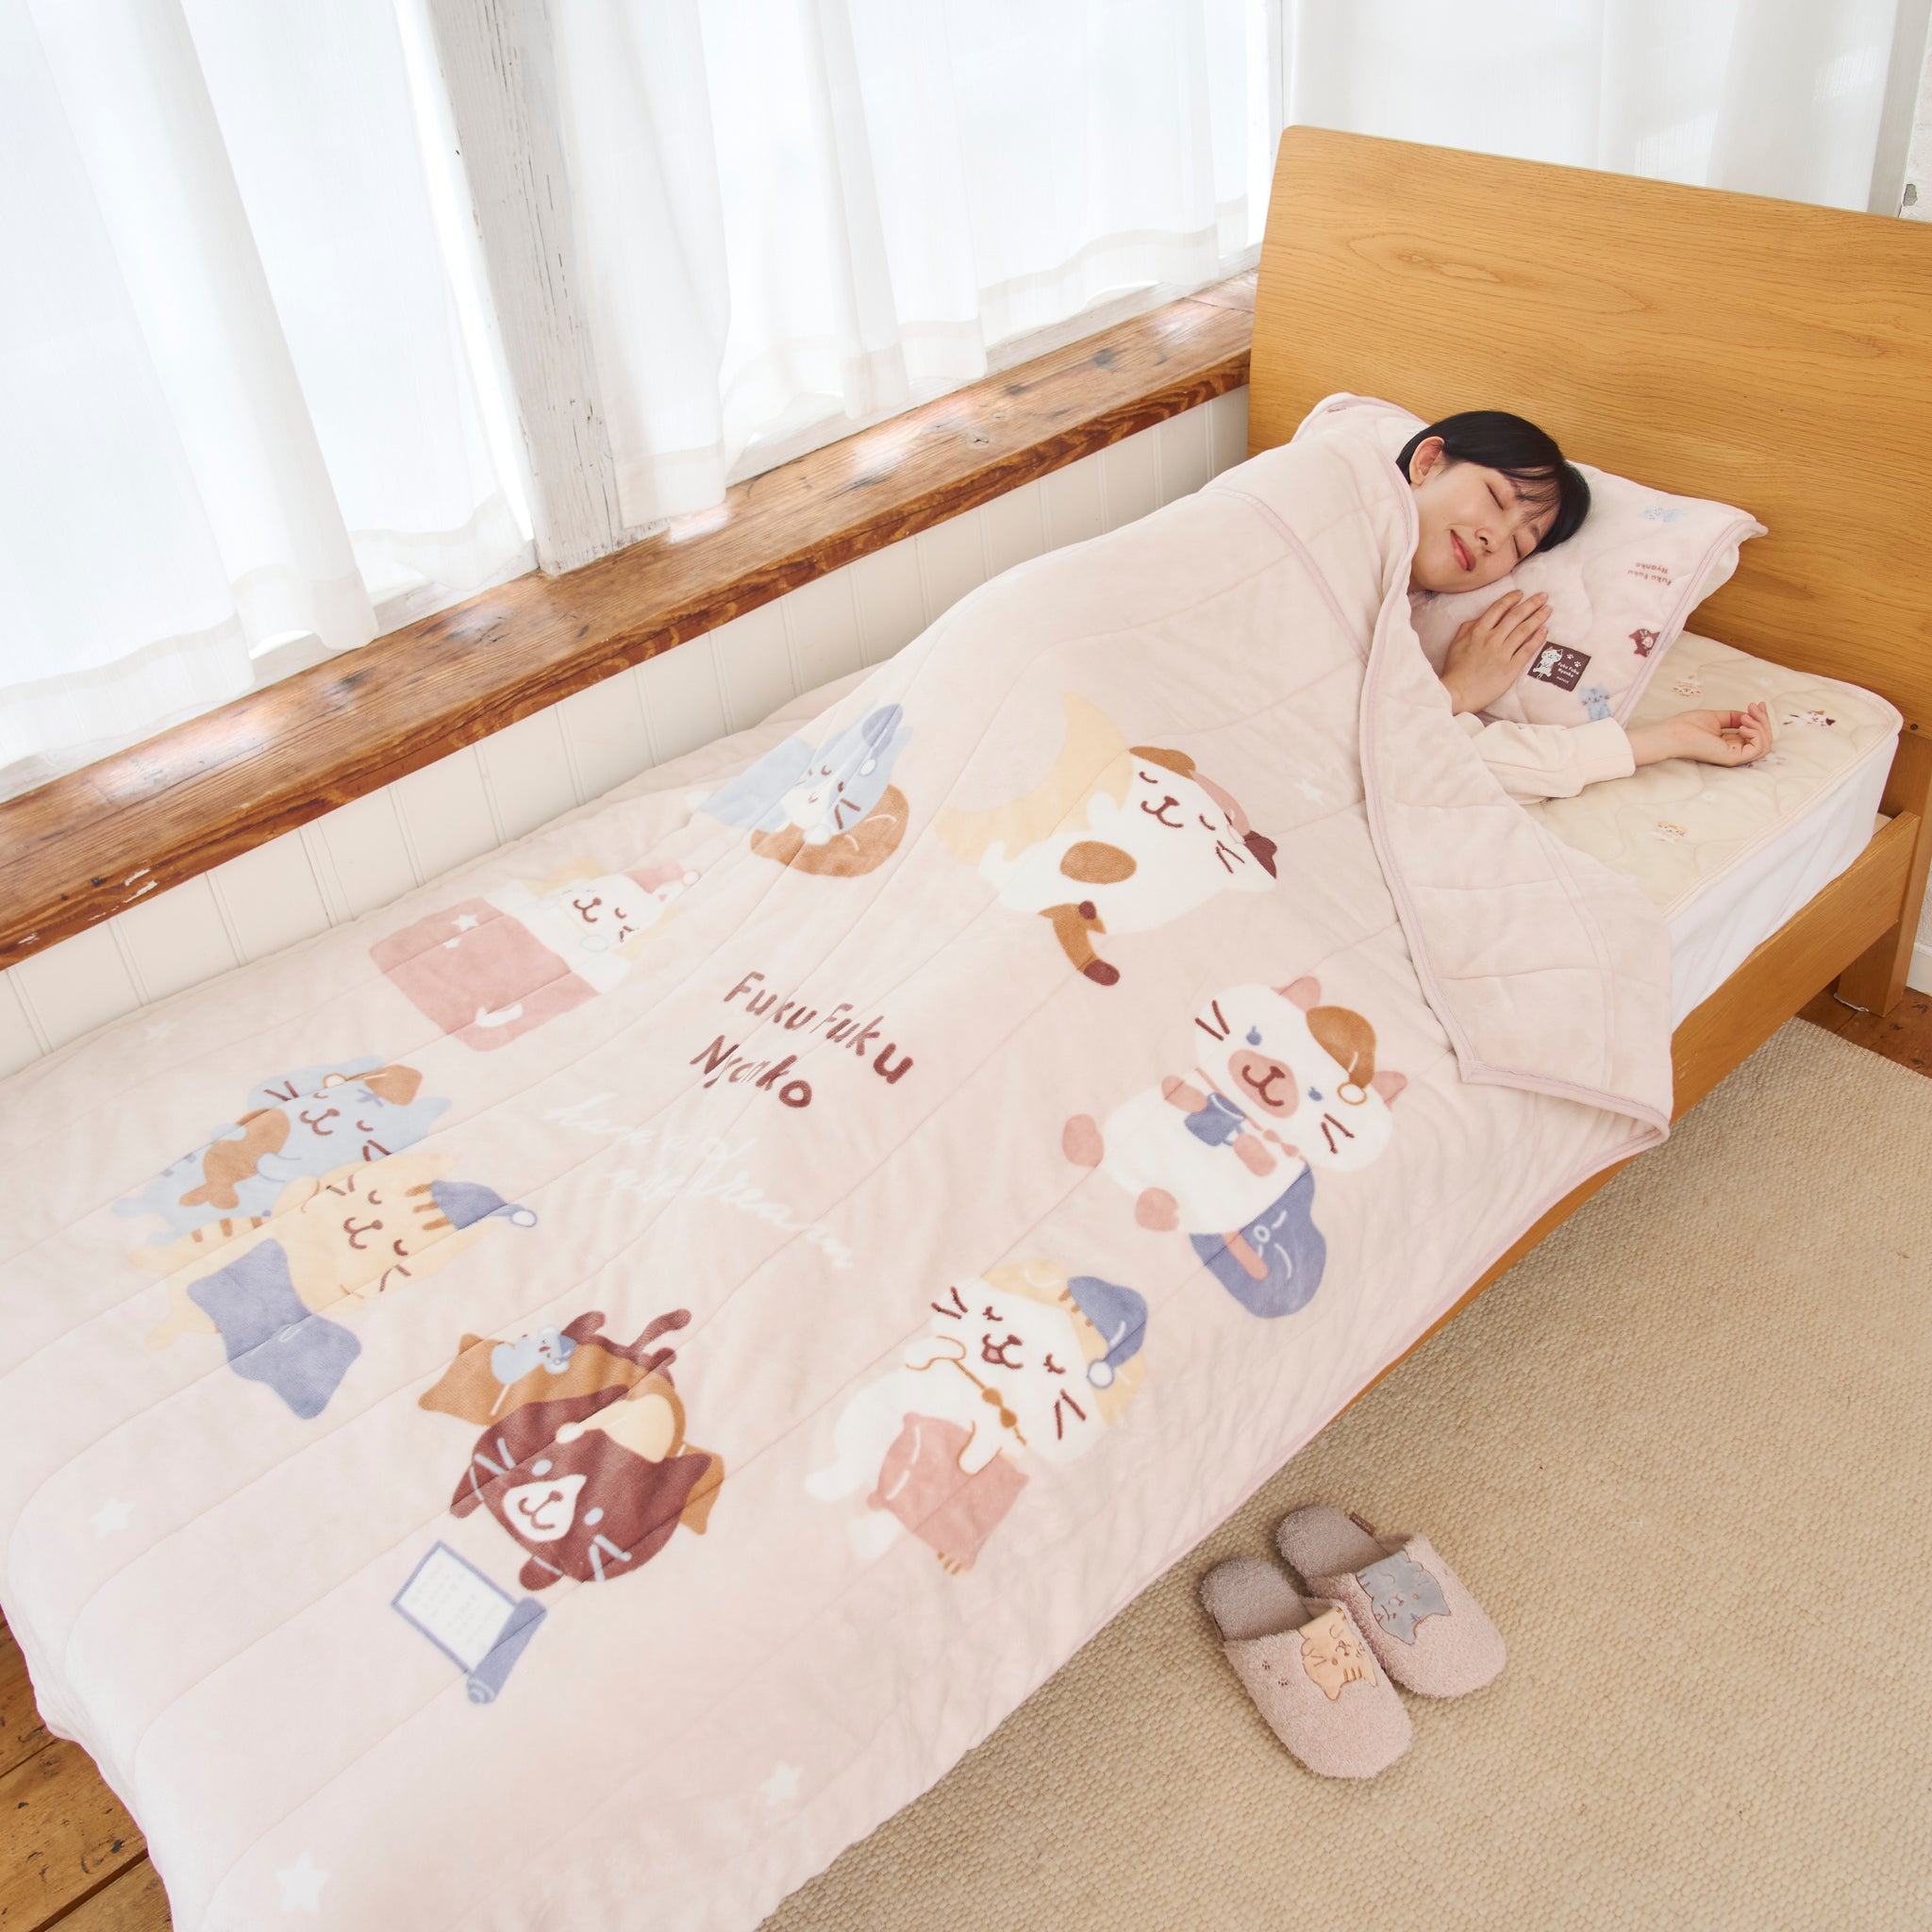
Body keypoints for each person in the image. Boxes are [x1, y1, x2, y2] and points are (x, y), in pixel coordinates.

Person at [1404, 411, 1770, 801]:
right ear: (1428, 462)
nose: (1493, 540)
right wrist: (1457, 692)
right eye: (1495, 498)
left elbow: (1444, 755)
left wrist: (1669, 738)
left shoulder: (1396, 626)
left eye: (1518, 545)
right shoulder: (1358, 509)